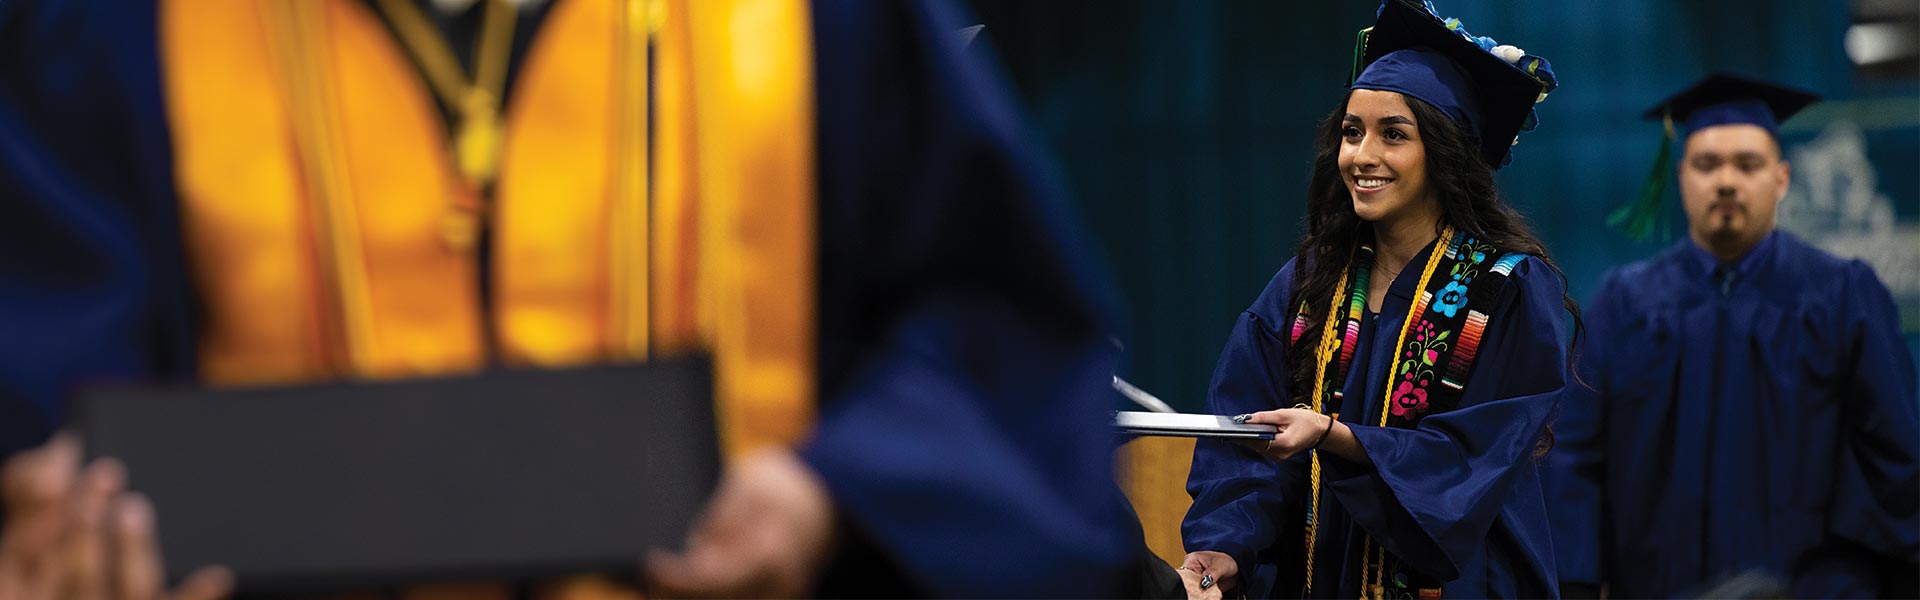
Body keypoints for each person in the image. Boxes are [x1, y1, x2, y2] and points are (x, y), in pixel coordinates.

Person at [0, 0, 1141, 597]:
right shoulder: (105, 35)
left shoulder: (823, 18)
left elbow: (1005, 347)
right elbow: (37, 398)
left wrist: (836, 493)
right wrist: (46, 539)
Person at [1177, 1, 1576, 598]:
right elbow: (1246, 437)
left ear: (1444, 153)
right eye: (1351, 132)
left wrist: (1333, 436)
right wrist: (1221, 547)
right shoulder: (1308, 285)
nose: (1362, 156)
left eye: (1394, 134)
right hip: (1318, 576)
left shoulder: (1506, 290)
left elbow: (1475, 458)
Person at [1546, 74, 1919, 599]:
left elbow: (1896, 458)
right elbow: (1575, 461)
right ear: (1681, 178)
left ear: (1782, 178)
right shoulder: (1626, 303)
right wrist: (1579, 583)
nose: (1726, 181)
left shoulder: (1843, 294)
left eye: (1748, 164)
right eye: (1707, 164)